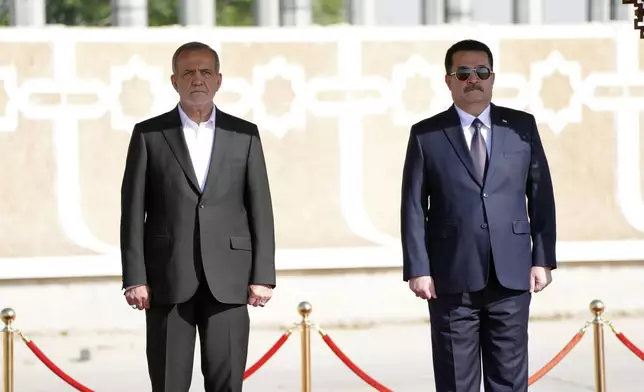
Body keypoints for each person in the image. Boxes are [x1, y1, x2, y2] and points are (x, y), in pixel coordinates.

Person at [400, 39, 557, 392]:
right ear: (449, 80)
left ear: (492, 77)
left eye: (481, 71)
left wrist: (542, 260)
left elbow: (541, 196)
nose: (474, 78)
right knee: (457, 381)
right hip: (450, 276)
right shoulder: (426, 134)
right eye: (464, 72)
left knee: (509, 379)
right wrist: (418, 268)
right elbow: (412, 206)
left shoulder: (521, 127)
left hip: (512, 275)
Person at [119, 41, 276, 392]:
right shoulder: (149, 135)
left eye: (205, 72)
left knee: (226, 383)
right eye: (188, 72)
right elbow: (131, 210)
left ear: (219, 80)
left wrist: (263, 274)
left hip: (231, 281)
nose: (197, 79)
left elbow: (260, 208)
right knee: (168, 383)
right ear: (174, 81)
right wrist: (135, 277)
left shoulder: (244, 135)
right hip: (166, 279)